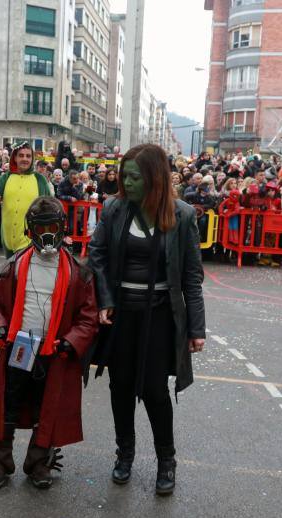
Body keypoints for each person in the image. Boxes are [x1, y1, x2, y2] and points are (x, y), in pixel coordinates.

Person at [87, 143, 206, 496]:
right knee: (120, 386)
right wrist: (105, 299)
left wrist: (196, 328)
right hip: (121, 313)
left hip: (160, 314)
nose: (126, 183)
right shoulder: (114, 208)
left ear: (155, 178)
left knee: (155, 390)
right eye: (124, 176)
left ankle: (166, 460)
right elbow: (97, 254)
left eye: (134, 177)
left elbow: (192, 277)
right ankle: (124, 453)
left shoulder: (182, 215)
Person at [0, 196, 98, 489]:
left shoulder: (78, 273)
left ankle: (39, 462)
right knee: (9, 402)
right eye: (41, 228)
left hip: (54, 350)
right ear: (30, 230)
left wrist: (71, 342)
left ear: (62, 227)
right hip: (20, 345)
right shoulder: (15, 264)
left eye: (52, 227)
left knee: (48, 406)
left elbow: (88, 315)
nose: (47, 235)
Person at [0, 142, 53, 257]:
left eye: (28, 156)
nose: (25, 159)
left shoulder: (39, 179)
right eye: (21, 155)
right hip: (8, 238)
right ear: (15, 158)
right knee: (11, 268)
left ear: (32, 159)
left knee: (27, 268)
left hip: (32, 240)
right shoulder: (6, 177)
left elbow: (51, 206)